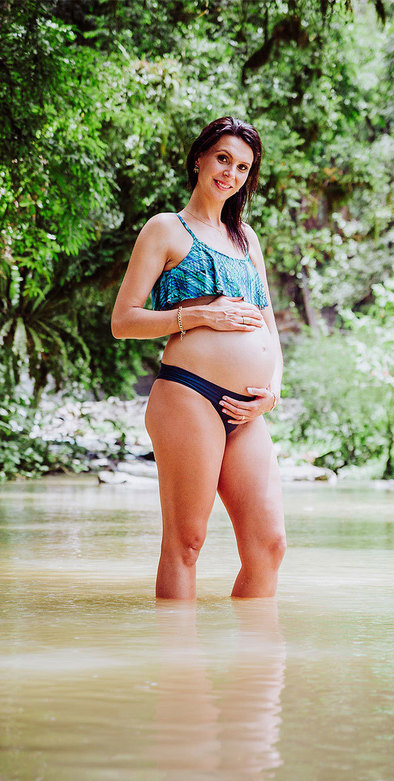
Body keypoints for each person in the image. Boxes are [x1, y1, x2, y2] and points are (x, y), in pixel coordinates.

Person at [111, 117, 285, 599]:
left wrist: (272, 393)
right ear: (199, 159)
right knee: (187, 543)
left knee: (268, 546)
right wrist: (202, 316)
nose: (231, 173)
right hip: (190, 395)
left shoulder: (248, 241)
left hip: (250, 410)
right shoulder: (166, 229)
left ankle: (253, 669)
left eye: (243, 167)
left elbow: (269, 328)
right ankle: (179, 672)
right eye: (223, 159)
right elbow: (123, 321)